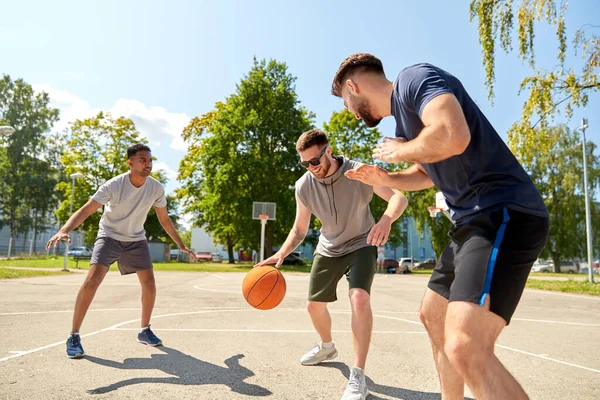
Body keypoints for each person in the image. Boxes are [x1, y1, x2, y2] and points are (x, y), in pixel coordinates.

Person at [332, 53, 549, 400]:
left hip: (502, 209)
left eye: (346, 102)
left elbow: (451, 134)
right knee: (433, 315)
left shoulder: (414, 80)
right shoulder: (405, 126)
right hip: (471, 221)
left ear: (353, 86)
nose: (350, 111)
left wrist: (398, 153)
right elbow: (426, 175)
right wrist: (386, 178)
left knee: (466, 346)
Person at [255, 129, 408, 400]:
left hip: (362, 241)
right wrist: (281, 253)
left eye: (315, 161)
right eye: (305, 163)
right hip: (328, 247)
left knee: (359, 298)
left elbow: (399, 197)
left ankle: (358, 375)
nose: (312, 168)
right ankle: (327, 346)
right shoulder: (304, 186)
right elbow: (300, 229)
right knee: (313, 306)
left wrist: (386, 219)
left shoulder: (358, 171)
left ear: (328, 150)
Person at [46, 143, 197, 359]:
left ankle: (144, 330)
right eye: (142, 160)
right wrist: (64, 229)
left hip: (136, 238)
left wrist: (181, 245)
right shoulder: (114, 185)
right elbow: (86, 210)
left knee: (149, 283)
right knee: (92, 280)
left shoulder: (156, 188)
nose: (148, 164)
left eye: (150, 160)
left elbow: (164, 219)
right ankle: (74, 335)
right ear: (130, 162)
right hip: (109, 236)